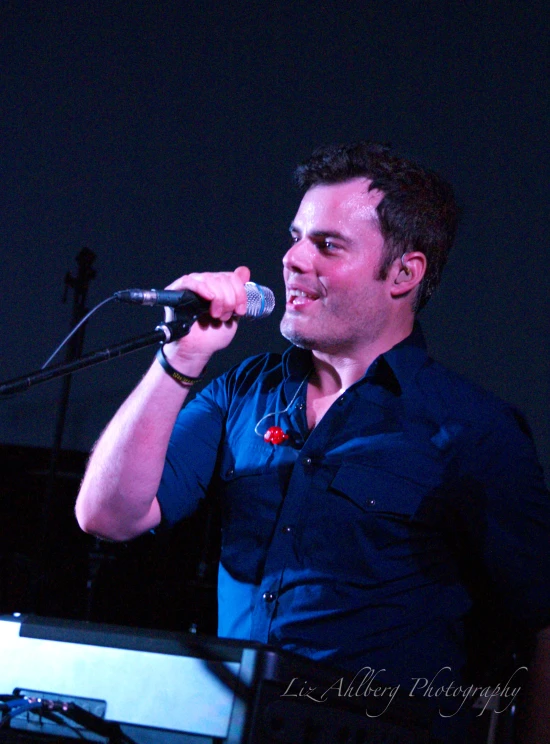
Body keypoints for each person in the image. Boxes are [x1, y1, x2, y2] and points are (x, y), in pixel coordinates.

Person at [75, 141, 550, 742]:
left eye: (326, 244)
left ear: (404, 273)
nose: (293, 259)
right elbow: (107, 515)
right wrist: (181, 358)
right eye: (296, 236)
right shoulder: (243, 391)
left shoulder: (474, 430)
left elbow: (542, 619)